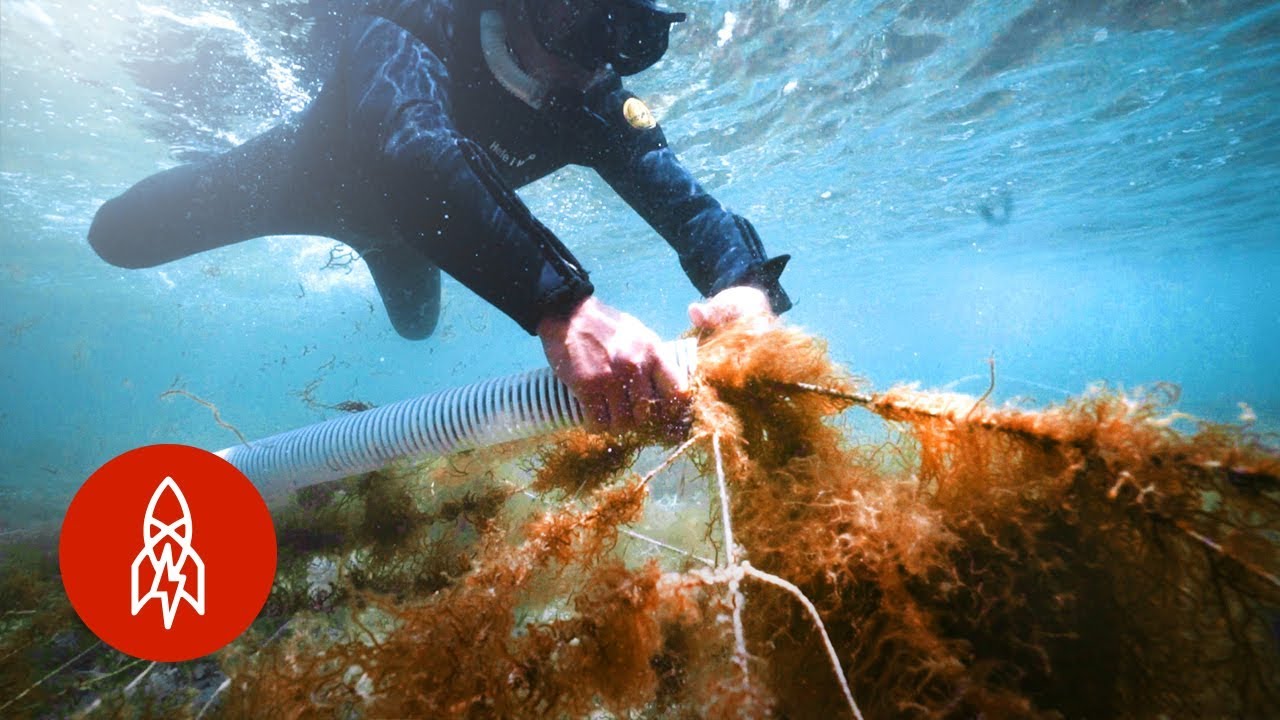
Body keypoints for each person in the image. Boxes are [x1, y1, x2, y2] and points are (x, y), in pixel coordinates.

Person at [87, 0, 792, 432]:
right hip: (297, 180)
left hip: (419, 234)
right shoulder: (411, 19)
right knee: (118, 237)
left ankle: (392, 256)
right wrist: (565, 308)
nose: (593, 60)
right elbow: (410, 150)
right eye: (578, 19)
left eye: (630, 36)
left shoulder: (592, 100)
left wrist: (744, 286)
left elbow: (690, 206)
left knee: (417, 326)